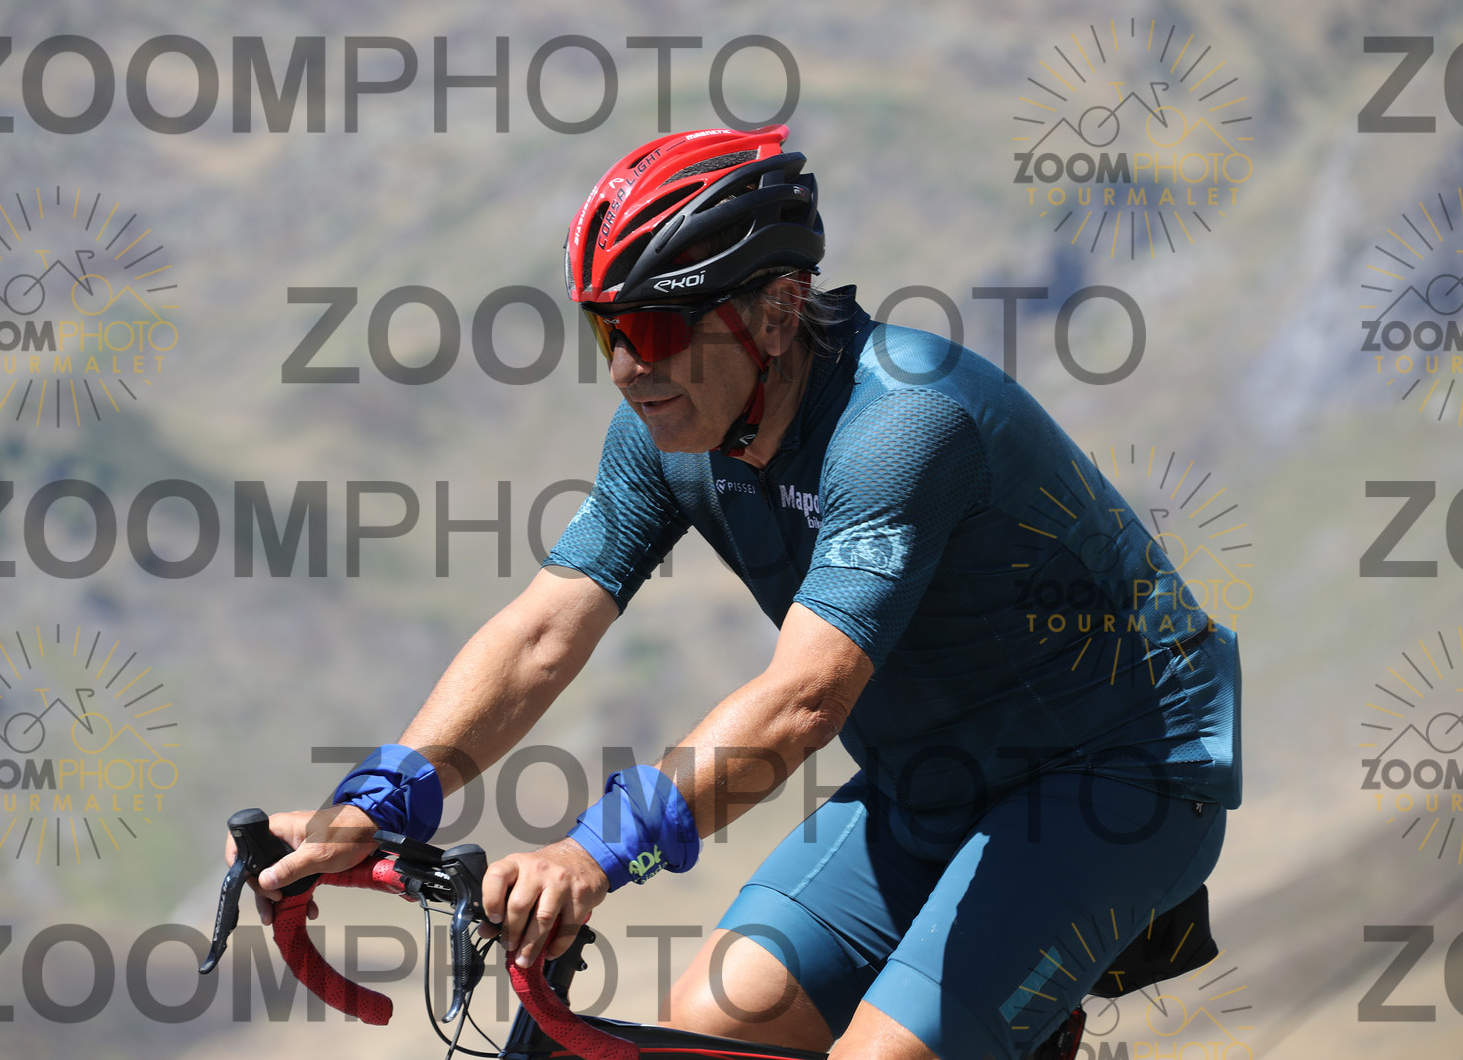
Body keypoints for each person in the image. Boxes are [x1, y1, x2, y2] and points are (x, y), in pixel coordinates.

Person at [237, 125, 1241, 1060]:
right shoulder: (663, 435)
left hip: (1115, 776)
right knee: (714, 1022)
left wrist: (593, 854)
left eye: (653, 326)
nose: (627, 367)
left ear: (775, 311)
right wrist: (375, 802)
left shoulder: (904, 424)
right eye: (604, 330)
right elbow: (543, 630)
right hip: (926, 782)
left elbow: (804, 700)